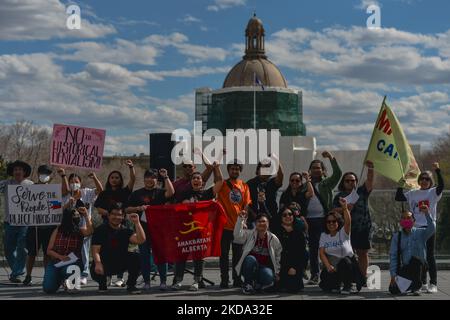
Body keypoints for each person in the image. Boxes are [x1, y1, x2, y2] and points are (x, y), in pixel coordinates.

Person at [173, 162, 223, 291]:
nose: (196, 180)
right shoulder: (183, 194)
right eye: (194, 178)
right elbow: (174, 209)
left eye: (198, 178)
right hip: (184, 231)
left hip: (201, 231)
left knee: (199, 256)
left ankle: (196, 281)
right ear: (191, 182)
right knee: (181, 255)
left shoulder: (207, 194)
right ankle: (178, 281)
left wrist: (217, 168)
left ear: (202, 182)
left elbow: (219, 182)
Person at [395, 162, 444, 293]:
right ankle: (423, 282)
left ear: (431, 181)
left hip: (428, 227)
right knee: (418, 256)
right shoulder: (413, 193)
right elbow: (398, 197)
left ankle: (433, 283)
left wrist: (438, 171)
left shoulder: (433, 192)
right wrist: (401, 183)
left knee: (430, 255)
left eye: (427, 178)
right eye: (421, 178)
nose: (424, 180)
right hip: (415, 229)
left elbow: (442, 186)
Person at [125, 168, 174, 291]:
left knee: (161, 256)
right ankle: (147, 282)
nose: (150, 179)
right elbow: (126, 209)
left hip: (159, 230)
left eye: (153, 177)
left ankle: (163, 281)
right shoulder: (137, 193)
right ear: (144, 179)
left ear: (156, 180)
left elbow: (171, 192)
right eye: (148, 177)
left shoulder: (160, 192)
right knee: (144, 256)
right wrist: (138, 208)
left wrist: (166, 177)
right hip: (143, 230)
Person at [94, 160, 135, 287]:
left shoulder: (124, 191)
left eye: (117, 177)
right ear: (109, 179)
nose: (114, 179)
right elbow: (99, 208)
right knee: (107, 250)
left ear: (120, 179)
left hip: (122, 226)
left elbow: (133, 180)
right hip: (107, 225)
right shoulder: (104, 193)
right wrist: (111, 214)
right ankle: (107, 277)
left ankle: (120, 278)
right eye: (112, 177)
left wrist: (131, 168)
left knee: (122, 249)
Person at [303, 151, 342, 285]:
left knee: (327, 247)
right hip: (308, 221)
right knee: (313, 249)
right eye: (313, 168)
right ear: (310, 170)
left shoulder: (327, 183)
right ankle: (315, 274)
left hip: (324, 220)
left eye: (318, 168)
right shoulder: (305, 185)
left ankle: (330, 272)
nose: (316, 170)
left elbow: (338, 174)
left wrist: (331, 157)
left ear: (323, 170)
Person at [332, 160, 374, 284]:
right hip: (347, 229)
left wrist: (371, 168)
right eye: (348, 181)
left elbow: (370, 181)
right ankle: (349, 278)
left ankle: (363, 277)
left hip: (363, 227)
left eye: (353, 180)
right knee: (347, 254)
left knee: (362, 253)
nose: (351, 183)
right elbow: (334, 210)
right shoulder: (339, 196)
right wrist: (344, 209)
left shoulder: (361, 192)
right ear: (343, 183)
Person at [60, 168, 103, 285]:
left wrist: (94, 178)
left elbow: (100, 190)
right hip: (69, 230)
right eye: (72, 182)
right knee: (70, 252)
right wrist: (68, 204)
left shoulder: (87, 192)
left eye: (76, 181)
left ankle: (84, 273)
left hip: (84, 227)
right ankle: (70, 274)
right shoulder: (65, 195)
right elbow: (55, 209)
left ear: (80, 183)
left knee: (84, 251)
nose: (74, 184)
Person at [90, 204, 146, 294]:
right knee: (95, 268)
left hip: (120, 262)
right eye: (114, 214)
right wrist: (98, 263)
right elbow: (95, 250)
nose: (116, 217)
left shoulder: (125, 230)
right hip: (104, 263)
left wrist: (137, 223)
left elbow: (141, 240)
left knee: (136, 257)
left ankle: (131, 285)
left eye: (119, 215)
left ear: (123, 216)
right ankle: (102, 283)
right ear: (108, 215)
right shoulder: (100, 230)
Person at [217, 159, 252, 288]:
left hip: (238, 227)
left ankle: (237, 279)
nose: (235, 171)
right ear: (228, 170)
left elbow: (246, 205)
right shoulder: (223, 184)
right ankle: (224, 280)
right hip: (224, 226)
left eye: (237, 169)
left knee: (238, 255)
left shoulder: (244, 185)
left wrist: (244, 221)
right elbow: (217, 176)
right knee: (224, 255)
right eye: (232, 168)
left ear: (240, 171)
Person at [43, 207, 93, 293]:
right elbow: (49, 250)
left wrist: (86, 215)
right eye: (75, 215)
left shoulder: (79, 231)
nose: (77, 217)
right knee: (48, 289)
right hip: (56, 262)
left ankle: (72, 282)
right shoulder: (57, 230)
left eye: (78, 215)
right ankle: (59, 279)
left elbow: (90, 231)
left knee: (71, 269)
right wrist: (60, 257)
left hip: (73, 262)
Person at [319, 198, 362, 295]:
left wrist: (345, 208)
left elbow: (348, 222)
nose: (331, 224)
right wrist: (328, 266)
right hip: (332, 266)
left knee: (344, 262)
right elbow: (321, 253)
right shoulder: (324, 235)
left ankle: (348, 285)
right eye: (328, 222)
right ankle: (336, 284)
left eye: (334, 221)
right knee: (325, 286)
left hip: (347, 264)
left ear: (338, 222)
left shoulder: (344, 232)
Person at [0, 160, 34, 283]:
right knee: (8, 249)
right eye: (15, 169)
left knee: (22, 248)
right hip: (9, 222)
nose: (17, 171)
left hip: (25, 223)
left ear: (24, 172)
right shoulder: (6, 184)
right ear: (12, 172)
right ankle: (16, 270)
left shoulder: (31, 184)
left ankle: (18, 273)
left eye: (20, 169)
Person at [23, 165, 57, 286]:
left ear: (50, 176)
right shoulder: (31, 188)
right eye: (42, 173)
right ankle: (28, 276)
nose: (44, 175)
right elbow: (24, 206)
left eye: (47, 173)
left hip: (49, 228)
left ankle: (46, 277)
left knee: (48, 253)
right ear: (38, 174)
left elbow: (56, 207)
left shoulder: (54, 190)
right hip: (34, 227)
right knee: (31, 253)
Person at [389, 208, 436, 296]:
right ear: (400, 222)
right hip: (406, 268)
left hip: (420, 266)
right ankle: (412, 285)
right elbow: (393, 256)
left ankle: (417, 286)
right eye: (404, 218)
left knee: (416, 261)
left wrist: (426, 213)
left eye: (409, 218)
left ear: (414, 221)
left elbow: (432, 229)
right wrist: (393, 275)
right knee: (393, 290)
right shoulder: (397, 236)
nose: (406, 220)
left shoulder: (421, 232)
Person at [234, 213, 282, 295]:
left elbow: (278, 255)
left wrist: (277, 271)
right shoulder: (249, 234)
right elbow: (237, 237)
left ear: (268, 223)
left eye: (264, 221)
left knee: (268, 276)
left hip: (264, 267)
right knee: (250, 259)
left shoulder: (273, 238)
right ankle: (248, 284)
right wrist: (240, 220)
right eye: (259, 221)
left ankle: (257, 284)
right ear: (255, 224)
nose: (262, 223)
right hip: (249, 266)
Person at [273, 208, 307, 293]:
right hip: (280, 265)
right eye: (284, 215)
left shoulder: (299, 233)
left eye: (290, 214)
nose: (288, 216)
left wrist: (294, 267)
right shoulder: (276, 232)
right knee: (279, 287)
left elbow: (301, 253)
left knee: (294, 288)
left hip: (295, 266)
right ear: (280, 217)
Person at [246, 155, 283, 226]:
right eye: (263, 167)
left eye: (268, 168)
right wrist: (254, 215)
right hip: (254, 220)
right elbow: (246, 203)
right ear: (258, 170)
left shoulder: (272, 182)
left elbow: (281, 176)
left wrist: (276, 160)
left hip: (271, 218)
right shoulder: (250, 183)